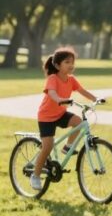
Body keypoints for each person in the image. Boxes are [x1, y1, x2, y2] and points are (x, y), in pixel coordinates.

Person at [30, 47, 102, 190]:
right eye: (67, 62)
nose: (71, 65)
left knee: (79, 122)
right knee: (48, 146)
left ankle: (68, 146)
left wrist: (96, 98)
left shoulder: (71, 79)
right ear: (57, 65)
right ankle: (35, 175)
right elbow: (52, 93)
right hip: (46, 117)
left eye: (72, 62)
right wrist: (60, 100)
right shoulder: (53, 78)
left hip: (60, 114)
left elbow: (82, 91)